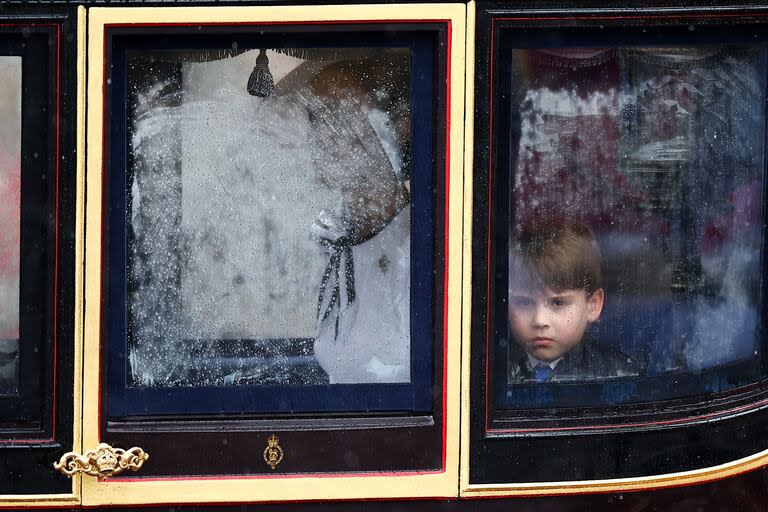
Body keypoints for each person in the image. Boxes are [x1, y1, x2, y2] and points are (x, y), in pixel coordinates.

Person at [304, 54, 412, 384]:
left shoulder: (421, 238)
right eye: (314, 117)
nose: (324, 134)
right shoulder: (331, 233)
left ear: (396, 129)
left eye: (341, 115)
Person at [507, 216, 639, 383]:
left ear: (592, 306)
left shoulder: (617, 373)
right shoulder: (487, 368)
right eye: (524, 303)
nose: (539, 321)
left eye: (558, 303)